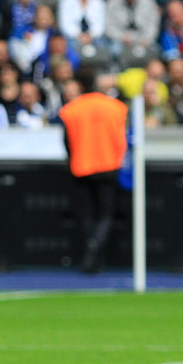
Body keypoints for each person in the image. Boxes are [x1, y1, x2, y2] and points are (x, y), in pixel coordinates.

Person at [58, 67, 128, 273]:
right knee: (106, 213)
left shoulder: (71, 109)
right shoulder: (116, 107)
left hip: (82, 166)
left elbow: (66, 141)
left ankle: (91, 247)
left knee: (86, 214)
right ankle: (96, 247)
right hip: (108, 165)